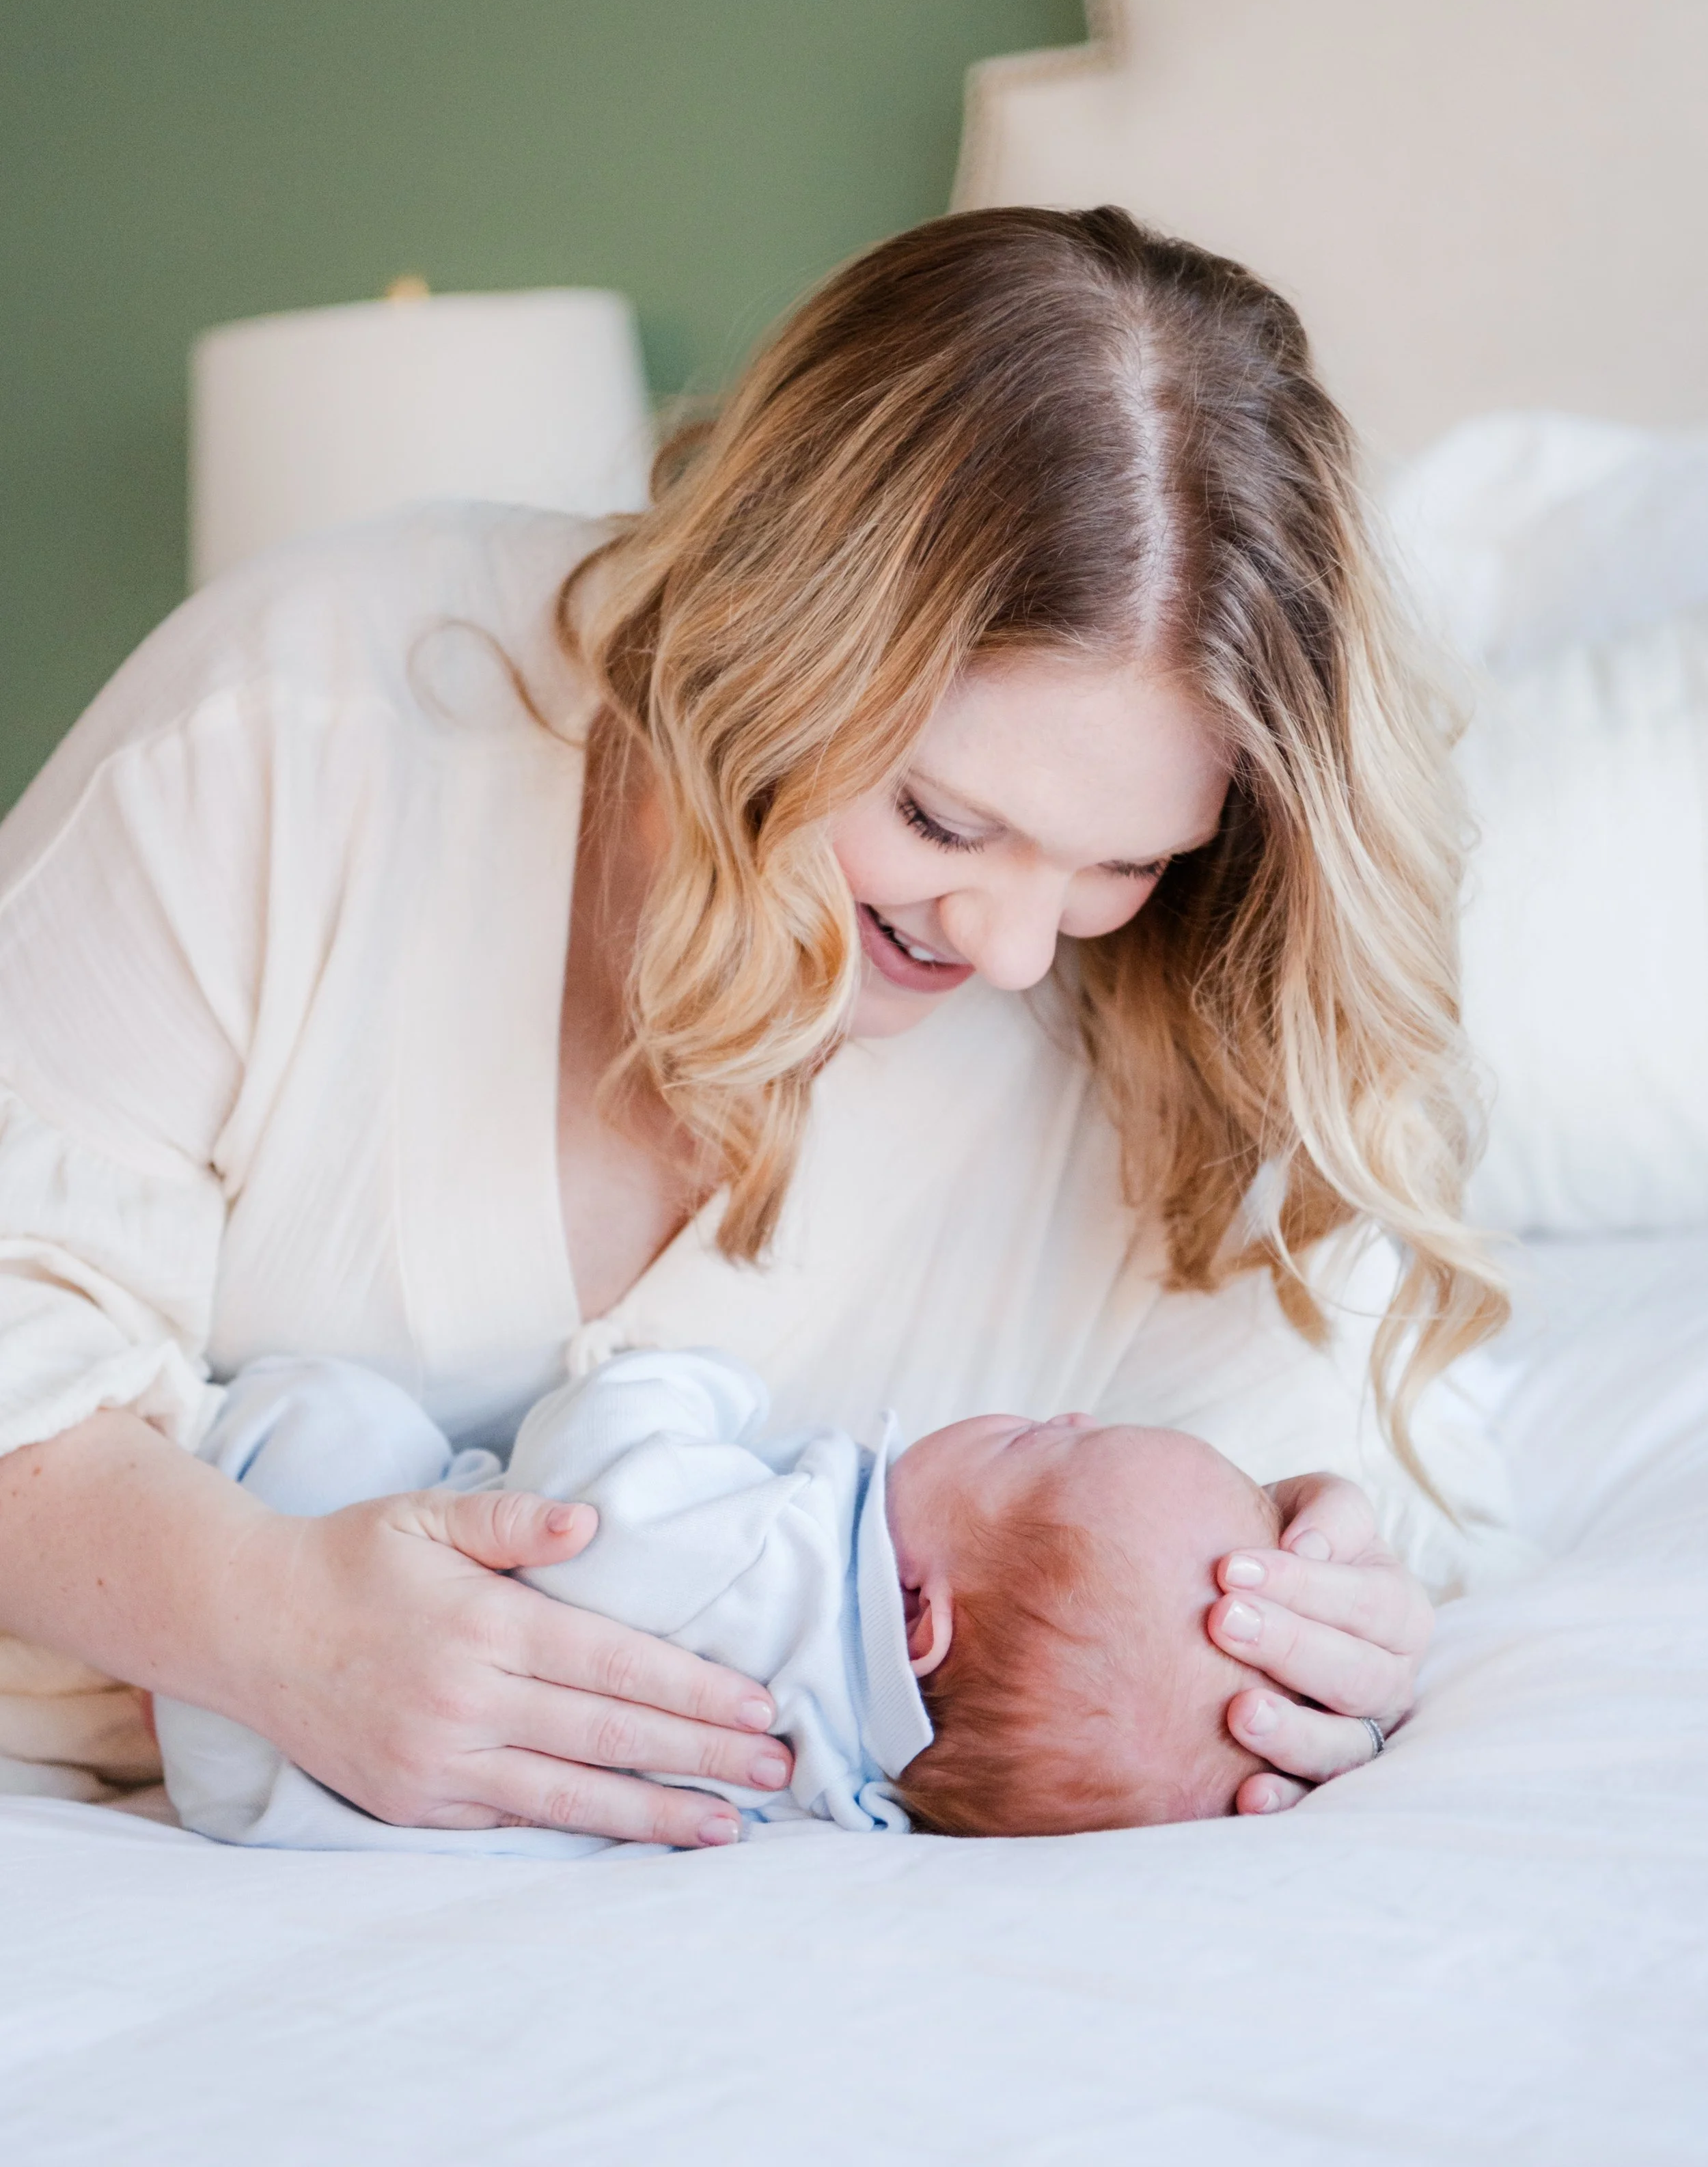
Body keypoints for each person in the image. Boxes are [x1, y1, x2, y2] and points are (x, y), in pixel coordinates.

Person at [0, 208, 1498, 1842]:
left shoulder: (1176, 1033)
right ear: (766, 633)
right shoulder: (302, 733)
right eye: (937, 819)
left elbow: (1356, 1495)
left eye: (1124, 861)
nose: (1010, 949)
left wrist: (1319, 1607)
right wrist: (274, 1625)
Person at [154, 1347, 1290, 1851]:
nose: (1066, 1413)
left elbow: (589, 1485)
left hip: (276, 1715)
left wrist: (688, 1379)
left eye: (1038, 1442)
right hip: (310, 1798)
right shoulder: (862, 1794)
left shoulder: (768, 1561)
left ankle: (182, 1422)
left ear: (915, 1618)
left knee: (341, 1418)